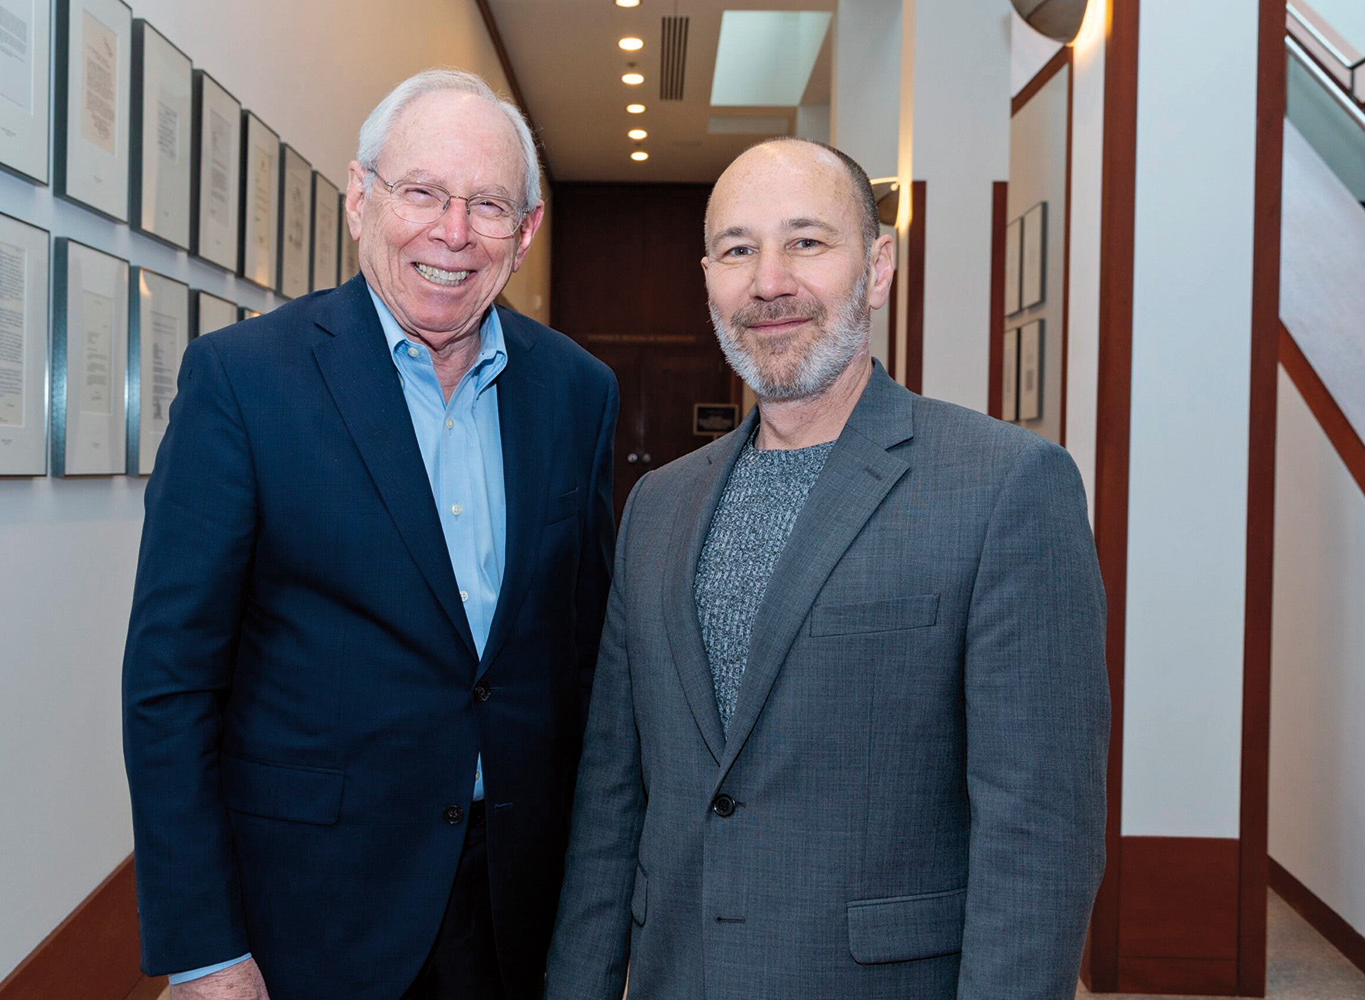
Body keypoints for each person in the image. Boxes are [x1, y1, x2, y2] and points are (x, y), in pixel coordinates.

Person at [544, 137, 1109, 999]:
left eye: (806, 241)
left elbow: (1038, 835)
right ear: (709, 279)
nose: (769, 281)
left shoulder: (1006, 486)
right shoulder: (656, 508)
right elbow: (612, 803)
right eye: (738, 250)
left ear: (877, 266)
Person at [122, 70, 617, 1000]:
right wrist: (204, 950)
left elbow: (582, 665)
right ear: (361, 200)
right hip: (309, 911)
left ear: (528, 231)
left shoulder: (578, 392)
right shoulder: (244, 380)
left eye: (488, 205)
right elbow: (172, 680)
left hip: (515, 908)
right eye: (422, 192)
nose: (453, 232)